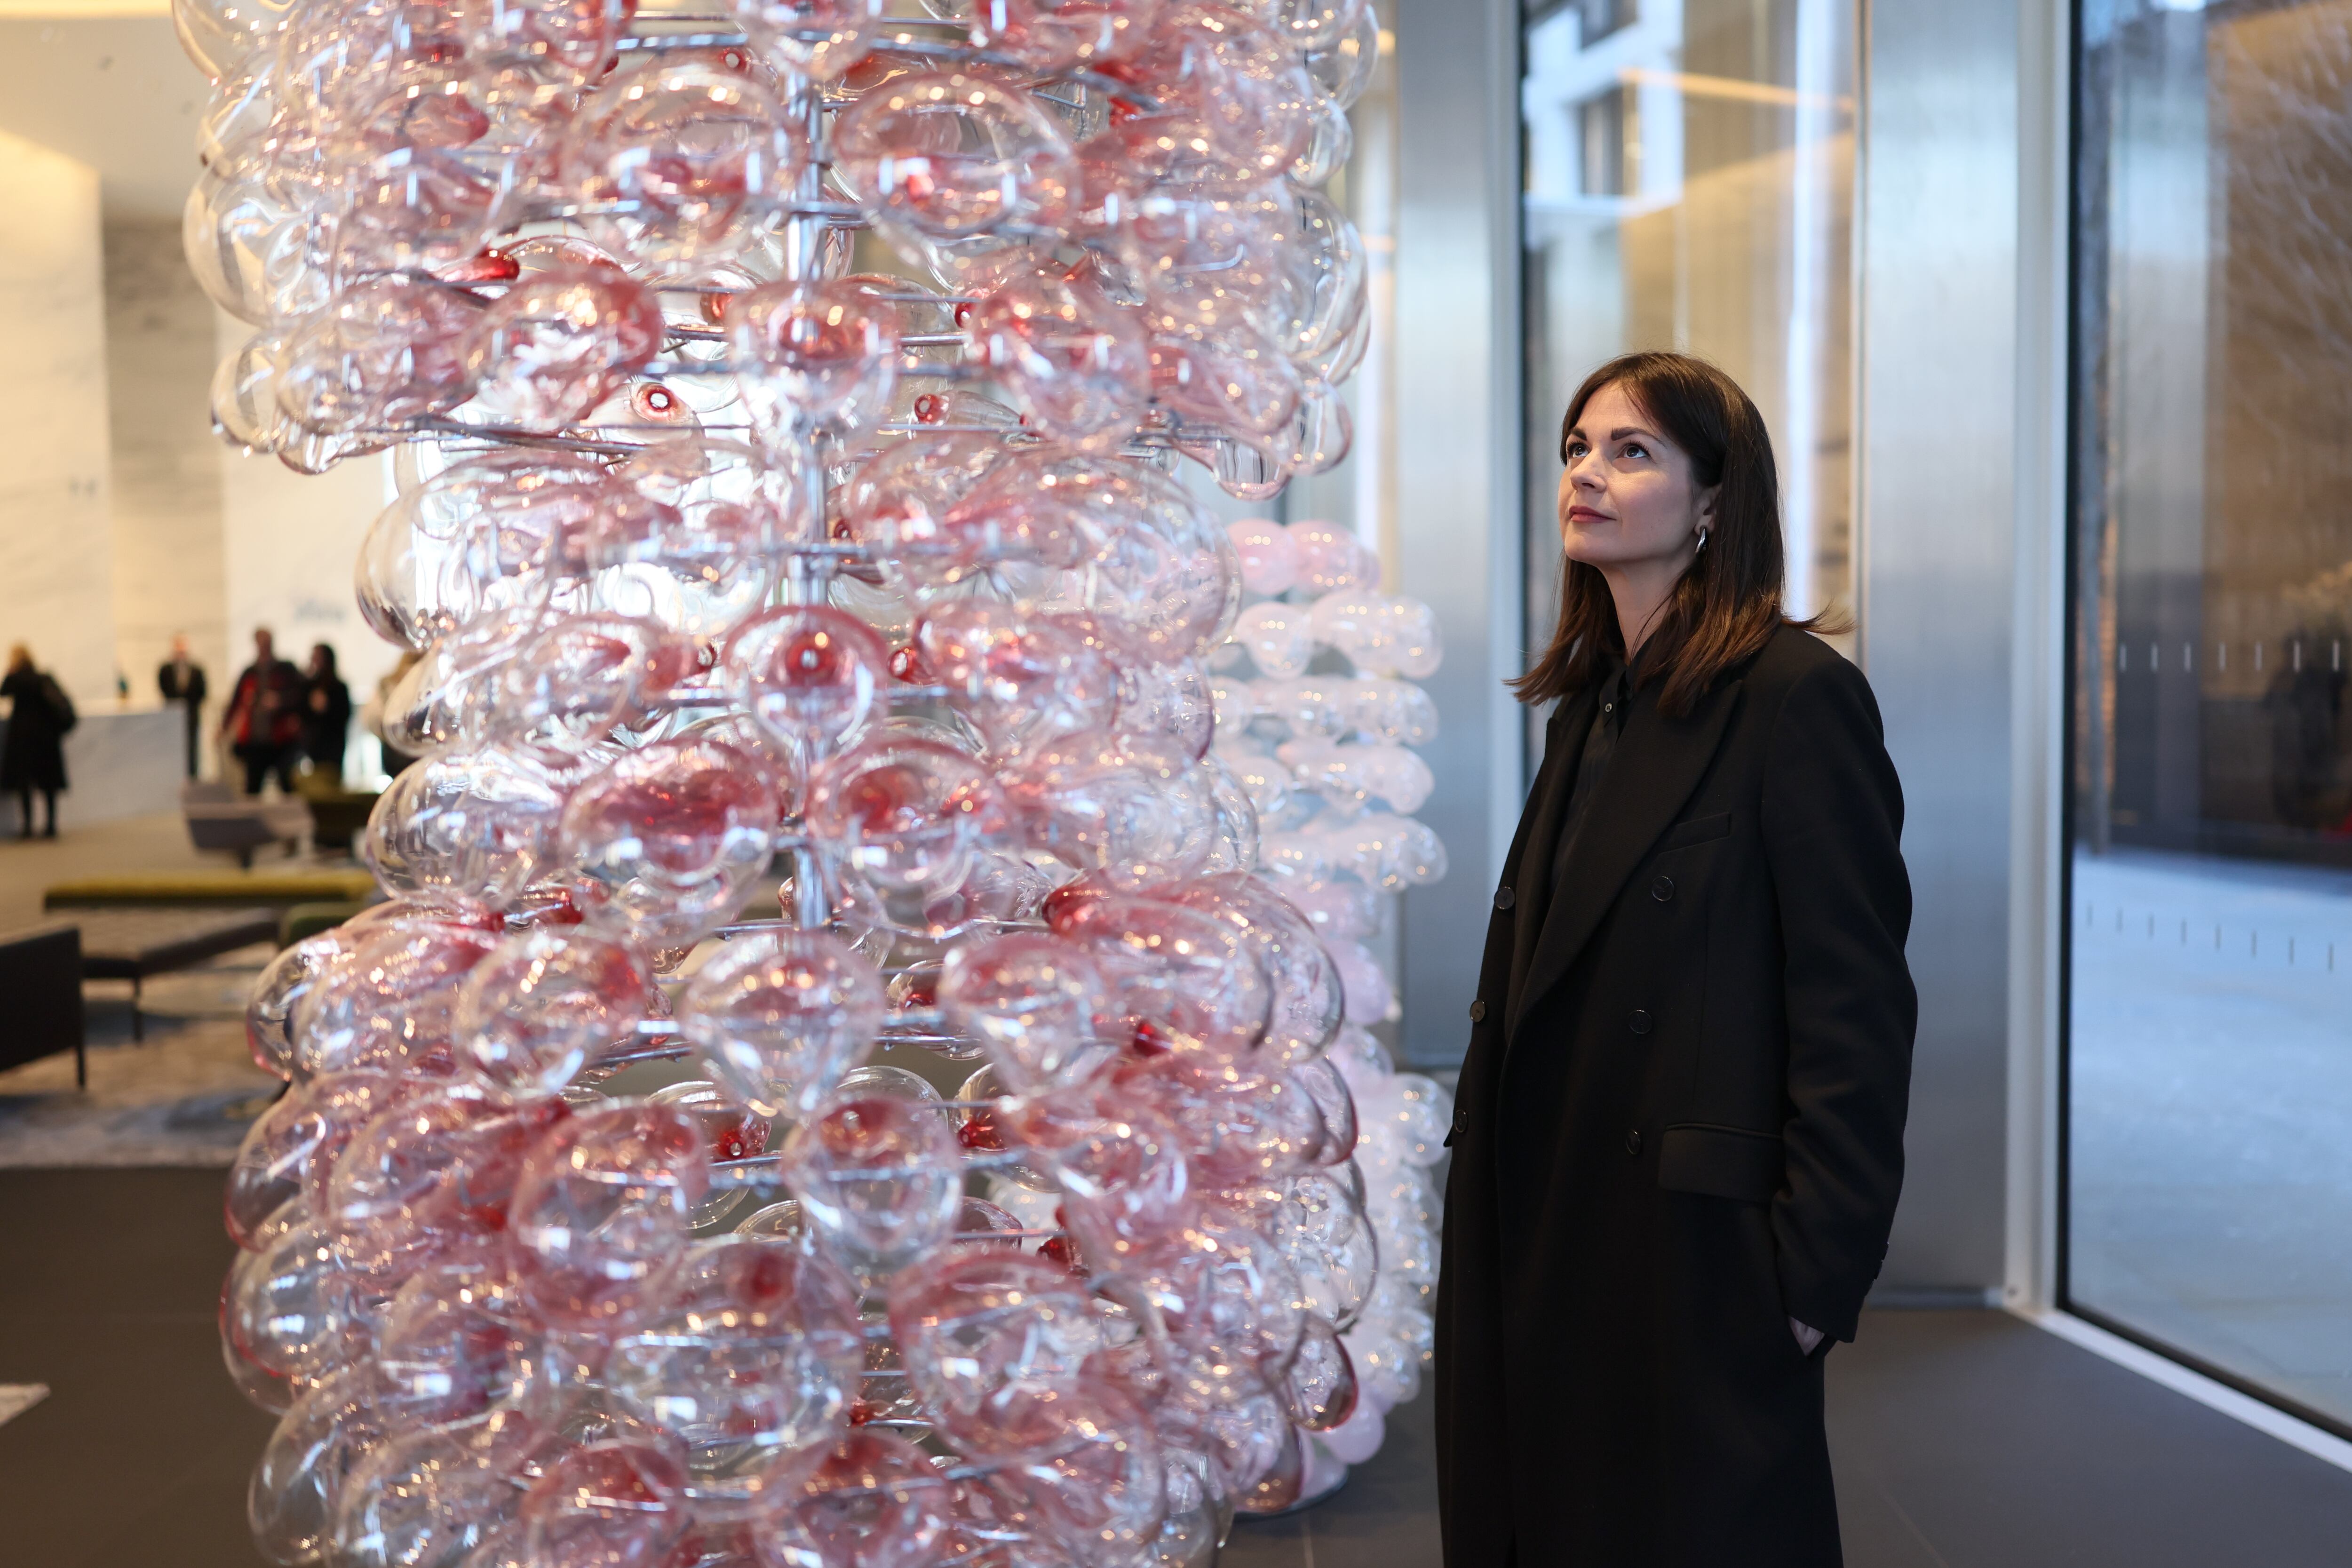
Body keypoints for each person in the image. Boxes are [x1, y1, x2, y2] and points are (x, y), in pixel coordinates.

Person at [1435, 352, 1917, 1568]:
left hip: (1694, 1244)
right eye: (1577, 448)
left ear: (1715, 500)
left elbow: (1854, 1005)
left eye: (1631, 450)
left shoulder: (1795, 697)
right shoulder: (1591, 704)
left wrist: (1815, 1274)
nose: (1586, 475)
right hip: (1543, 1213)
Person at [222, 628, 305, 796]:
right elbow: (235, 702)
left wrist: (280, 701)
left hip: (281, 739)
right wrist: (224, 728)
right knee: (253, 786)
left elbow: (301, 696)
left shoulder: (286, 670)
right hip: (256, 740)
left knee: (287, 784)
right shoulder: (250, 672)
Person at [0, 645, 71, 839]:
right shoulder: (43, 678)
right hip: (45, 737)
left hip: (24, 738)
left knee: (25, 784)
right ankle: (50, 826)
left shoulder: (16, 679)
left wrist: (9, 672)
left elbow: (3, 692)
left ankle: (27, 827)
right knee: (48, 783)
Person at [158, 634, 208, 779]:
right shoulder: (166, 669)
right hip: (172, 716)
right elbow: (163, 688)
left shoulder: (197, 670)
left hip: (192, 714)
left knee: (192, 748)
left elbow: (202, 692)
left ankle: (193, 777)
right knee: (174, 747)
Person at [301, 643, 352, 785]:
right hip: (315, 744)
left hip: (333, 744)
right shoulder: (309, 686)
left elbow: (344, 715)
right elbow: (303, 714)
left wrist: (326, 707)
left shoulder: (338, 687)